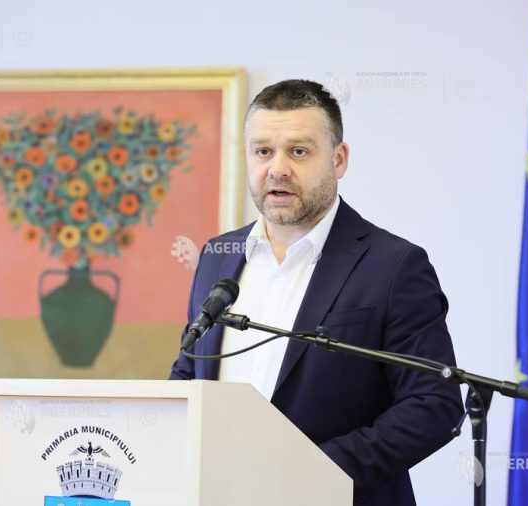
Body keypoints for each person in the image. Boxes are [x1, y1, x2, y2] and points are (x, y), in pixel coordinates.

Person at [169, 79, 463, 505]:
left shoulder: (394, 266)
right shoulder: (217, 256)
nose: (278, 169)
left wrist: (311, 472)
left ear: (339, 160)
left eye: (299, 152)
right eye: (263, 151)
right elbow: (188, 373)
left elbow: (433, 404)